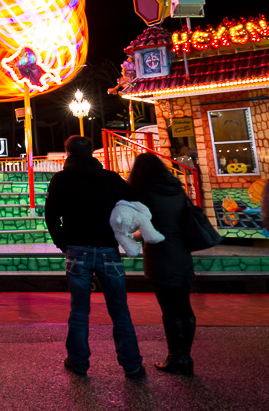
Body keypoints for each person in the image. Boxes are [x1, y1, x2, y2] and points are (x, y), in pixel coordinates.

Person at [45, 135, 145, 379]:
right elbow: (134, 204)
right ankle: (131, 365)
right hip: (108, 249)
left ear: (67, 152)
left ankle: (78, 362)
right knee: (119, 309)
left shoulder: (61, 179)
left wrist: (62, 243)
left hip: (77, 249)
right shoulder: (109, 178)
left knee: (79, 310)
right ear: (91, 152)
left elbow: (51, 215)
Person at [129, 153, 196, 376]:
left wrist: (132, 237)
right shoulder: (177, 189)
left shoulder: (145, 195)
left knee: (169, 309)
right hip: (182, 254)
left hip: (161, 256)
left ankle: (176, 358)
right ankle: (186, 357)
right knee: (184, 306)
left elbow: (143, 231)